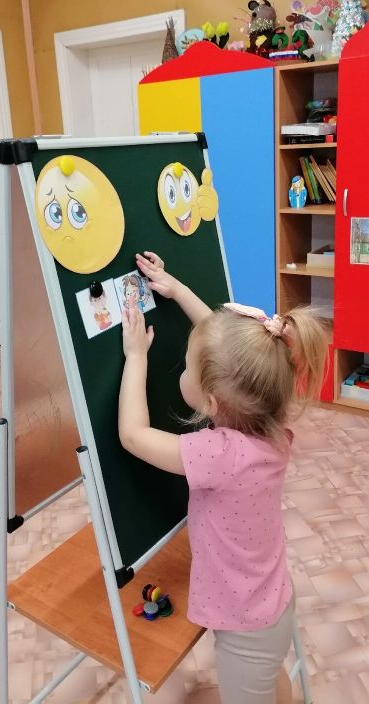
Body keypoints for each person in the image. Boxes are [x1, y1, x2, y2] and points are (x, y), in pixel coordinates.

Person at [118, 251, 328, 704]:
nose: (184, 368)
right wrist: (176, 289)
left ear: (212, 403)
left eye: (188, 366)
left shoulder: (217, 454)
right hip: (273, 603)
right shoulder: (273, 424)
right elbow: (229, 351)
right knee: (272, 679)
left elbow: (133, 435)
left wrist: (136, 357)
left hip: (244, 626)